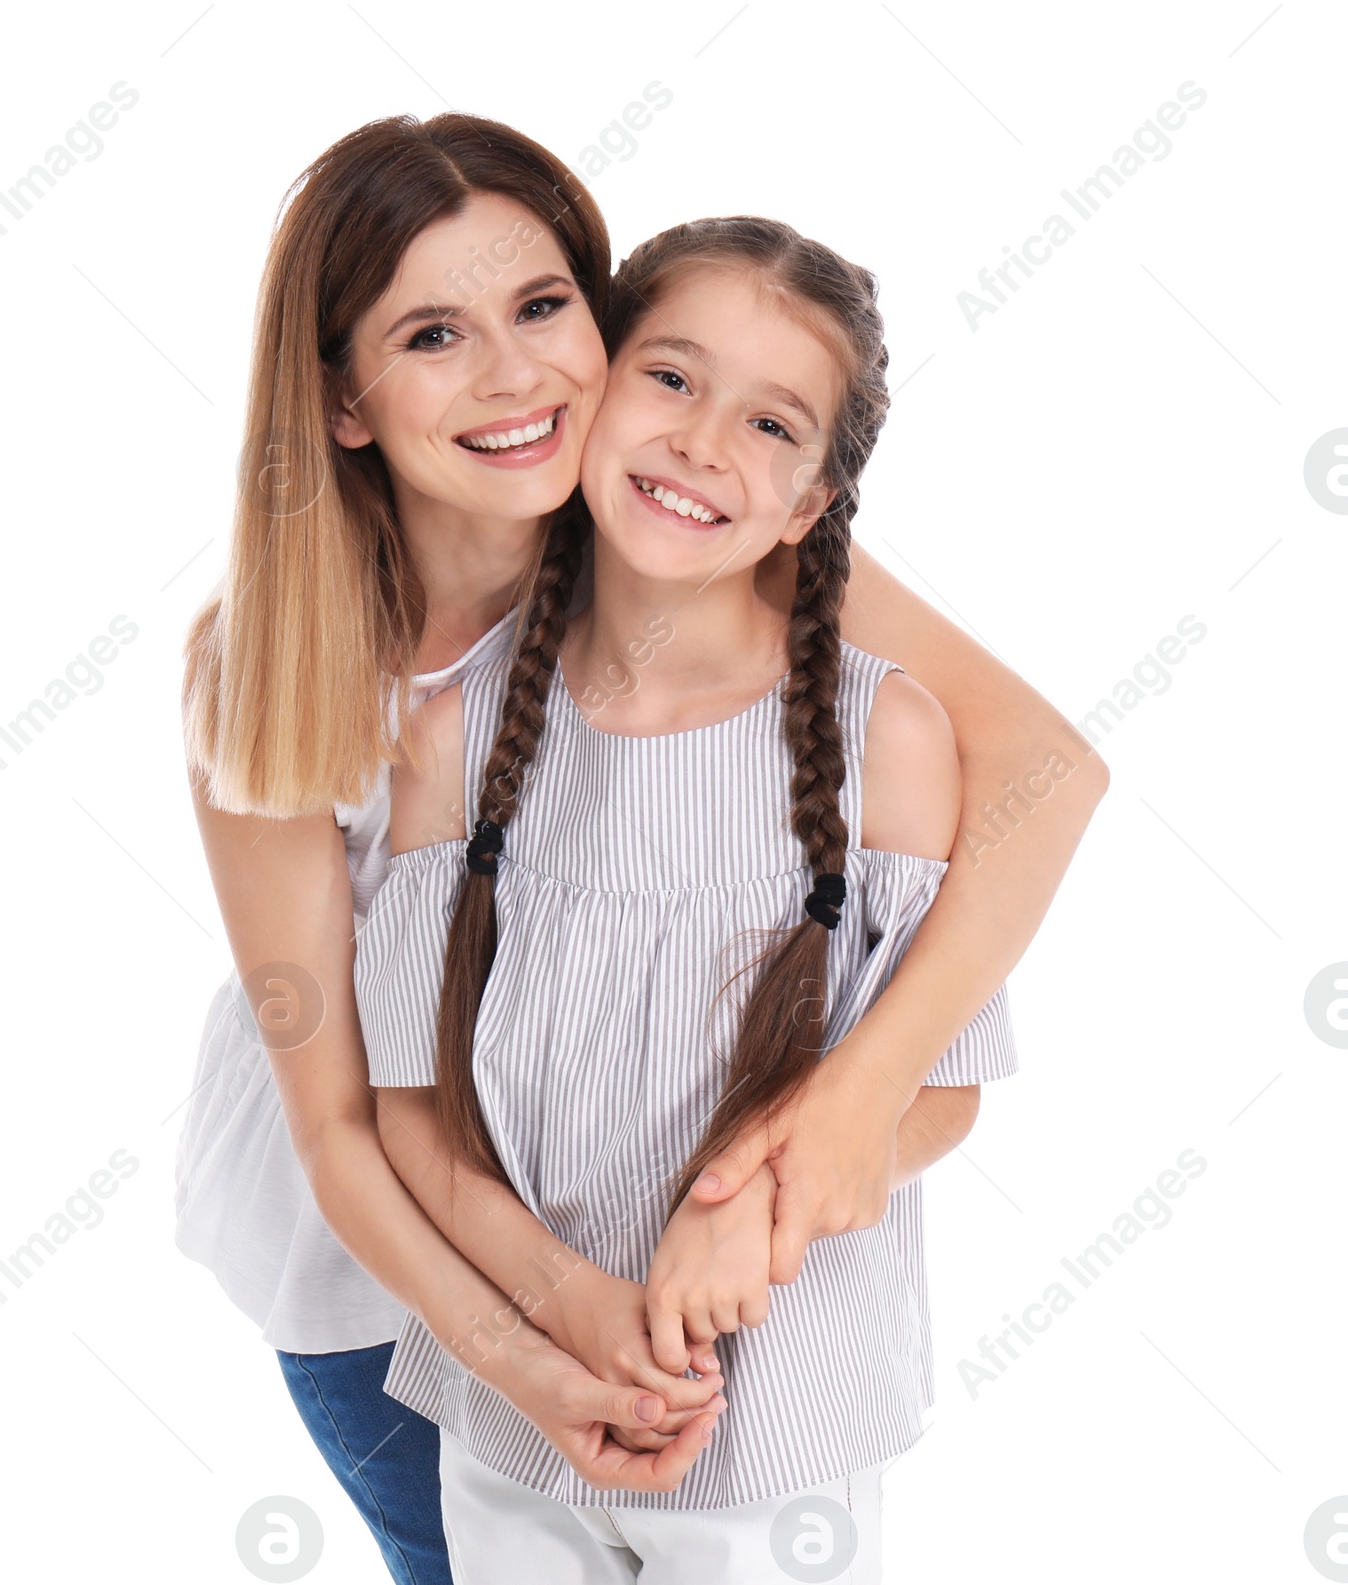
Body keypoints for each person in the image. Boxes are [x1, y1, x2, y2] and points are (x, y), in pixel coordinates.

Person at [174, 115, 1108, 1584]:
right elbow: (348, 1126)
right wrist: (528, 1354)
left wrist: (852, 1110)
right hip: (369, 1244)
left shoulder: (676, 522)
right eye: (432, 334)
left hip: (647, 1239)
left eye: (544, 309)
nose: (513, 375)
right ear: (345, 400)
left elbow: (1046, 775)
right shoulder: (281, 661)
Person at [358, 217, 1025, 1580]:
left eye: (773, 424)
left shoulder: (884, 740)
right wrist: (567, 1310)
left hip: (770, 1433)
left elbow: (943, 1090)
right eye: (671, 378)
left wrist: (758, 1213)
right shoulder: (454, 736)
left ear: (811, 507)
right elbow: (407, 1114)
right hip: (513, 1420)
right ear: (592, 388)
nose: (704, 442)